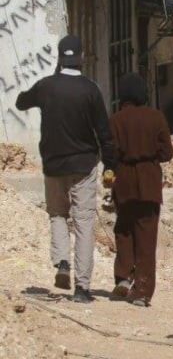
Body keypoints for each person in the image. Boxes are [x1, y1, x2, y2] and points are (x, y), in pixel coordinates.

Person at [15, 35, 115, 303]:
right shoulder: (90, 90)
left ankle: (61, 263)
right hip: (84, 166)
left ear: (59, 58)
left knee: (57, 214)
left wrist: (46, 83)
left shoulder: (46, 87)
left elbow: (21, 102)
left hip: (53, 165)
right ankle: (82, 288)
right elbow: (104, 133)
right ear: (82, 58)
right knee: (83, 223)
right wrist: (111, 166)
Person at [108, 73, 173, 307]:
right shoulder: (156, 117)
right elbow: (167, 153)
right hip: (149, 182)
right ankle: (143, 290)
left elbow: (110, 153)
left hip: (124, 181)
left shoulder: (115, 120)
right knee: (147, 235)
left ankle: (124, 277)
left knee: (124, 229)